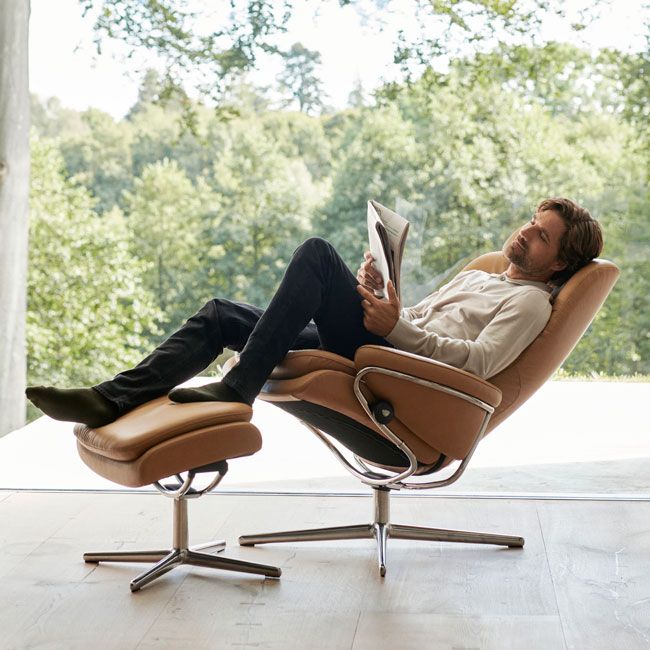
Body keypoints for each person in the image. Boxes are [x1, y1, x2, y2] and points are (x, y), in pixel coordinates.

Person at [26, 196, 603, 429]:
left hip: (395, 370)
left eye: (543, 236)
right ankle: (111, 399)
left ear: (558, 265)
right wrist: (380, 294)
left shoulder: (530, 303)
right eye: (531, 221)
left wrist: (392, 326)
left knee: (316, 256)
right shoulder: (485, 273)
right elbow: (424, 319)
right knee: (222, 314)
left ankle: (237, 388)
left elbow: (476, 366)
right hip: (386, 343)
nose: (526, 233)